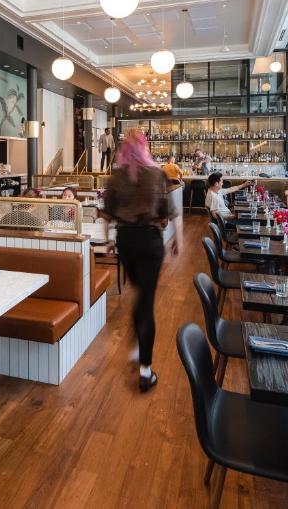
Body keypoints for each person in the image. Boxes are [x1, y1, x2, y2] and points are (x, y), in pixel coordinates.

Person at [102, 131, 181, 393]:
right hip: (150, 242)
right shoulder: (157, 174)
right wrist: (178, 240)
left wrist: (109, 240)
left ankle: (138, 342)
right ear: (145, 148)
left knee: (140, 294)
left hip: (126, 241)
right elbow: (172, 212)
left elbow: (106, 215)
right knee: (146, 301)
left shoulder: (115, 177)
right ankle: (146, 371)